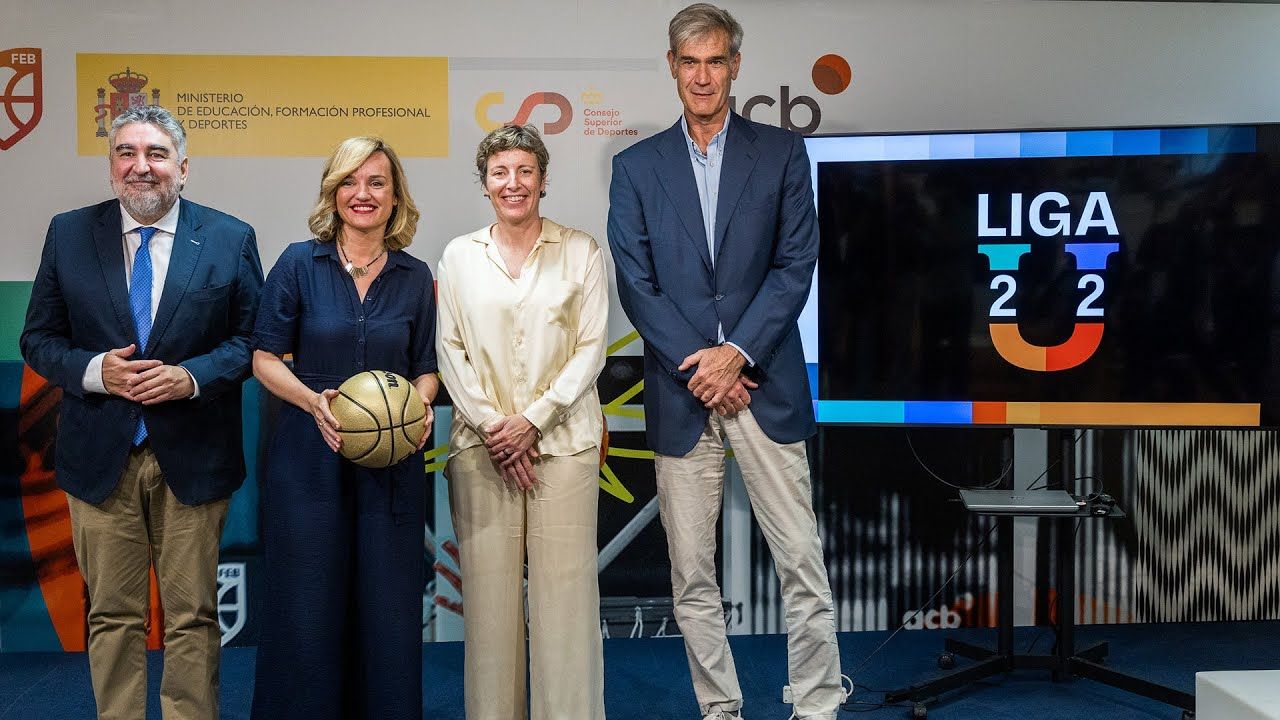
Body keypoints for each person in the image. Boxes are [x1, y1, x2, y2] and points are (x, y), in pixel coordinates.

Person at [607, 4, 844, 719]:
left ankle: (818, 704)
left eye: (716, 61)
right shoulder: (635, 166)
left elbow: (795, 264)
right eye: (690, 62)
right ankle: (721, 709)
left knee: (800, 561)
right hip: (683, 396)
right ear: (672, 68)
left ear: (735, 66)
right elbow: (634, 281)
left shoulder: (779, 154)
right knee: (691, 575)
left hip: (761, 384)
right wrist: (700, 364)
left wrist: (735, 355)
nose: (703, 75)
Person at [20, 105, 264, 720]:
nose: (141, 167)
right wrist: (95, 372)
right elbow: (39, 339)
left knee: (192, 614)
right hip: (100, 456)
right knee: (112, 614)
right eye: (127, 154)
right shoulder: (69, 233)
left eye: (156, 154)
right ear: (110, 170)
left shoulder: (230, 237)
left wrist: (190, 377)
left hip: (194, 454)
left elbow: (250, 342)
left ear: (183, 168)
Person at [249, 136, 438, 720]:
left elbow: (427, 369)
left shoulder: (414, 275)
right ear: (332, 193)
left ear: (395, 196)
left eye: (377, 183)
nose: (363, 194)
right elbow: (263, 358)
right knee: (308, 605)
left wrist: (417, 408)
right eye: (350, 182)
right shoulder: (297, 263)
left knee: (386, 607)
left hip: (392, 467)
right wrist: (314, 402)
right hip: (309, 456)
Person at [436, 124, 608, 720]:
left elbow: (592, 349)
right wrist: (496, 429)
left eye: (525, 172)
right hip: (481, 452)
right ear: (485, 184)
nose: (513, 184)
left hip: (564, 447)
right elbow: (449, 351)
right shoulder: (459, 256)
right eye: (500, 173)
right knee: (489, 610)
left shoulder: (581, 250)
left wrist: (532, 422)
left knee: (566, 607)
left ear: (543, 180)